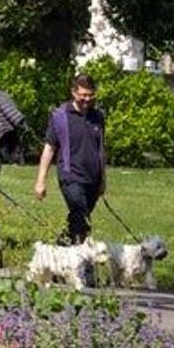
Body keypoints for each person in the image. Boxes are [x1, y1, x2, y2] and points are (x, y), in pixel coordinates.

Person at [34, 73, 106, 244]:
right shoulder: (60, 116)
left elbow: (101, 148)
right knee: (81, 215)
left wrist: (103, 179)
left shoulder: (98, 117)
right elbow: (49, 148)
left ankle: (62, 248)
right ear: (74, 93)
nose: (87, 100)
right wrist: (40, 181)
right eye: (83, 95)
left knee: (78, 218)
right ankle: (82, 259)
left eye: (90, 95)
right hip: (70, 176)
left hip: (93, 179)